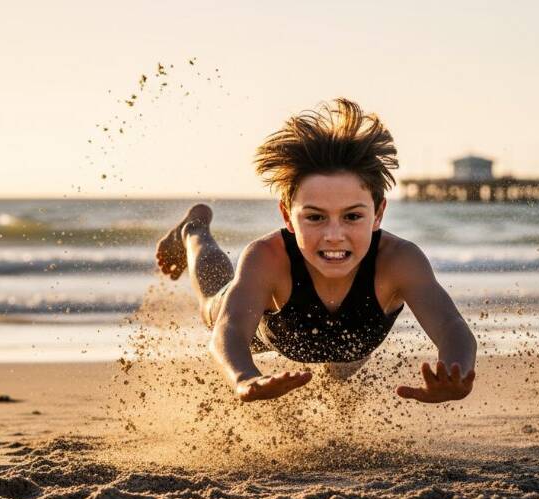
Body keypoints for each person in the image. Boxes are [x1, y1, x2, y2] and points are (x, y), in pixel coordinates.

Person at [155, 98, 476, 403]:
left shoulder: (398, 261)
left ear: (377, 213)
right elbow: (231, 331)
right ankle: (194, 230)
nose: (334, 235)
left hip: (348, 347)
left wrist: (457, 371)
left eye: (352, 216)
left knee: (340, 371)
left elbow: (450, 325)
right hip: (264, 332)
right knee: (212, 303)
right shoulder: (268, 258)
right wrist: (245, 377)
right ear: (287, 216)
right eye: (315, 217)